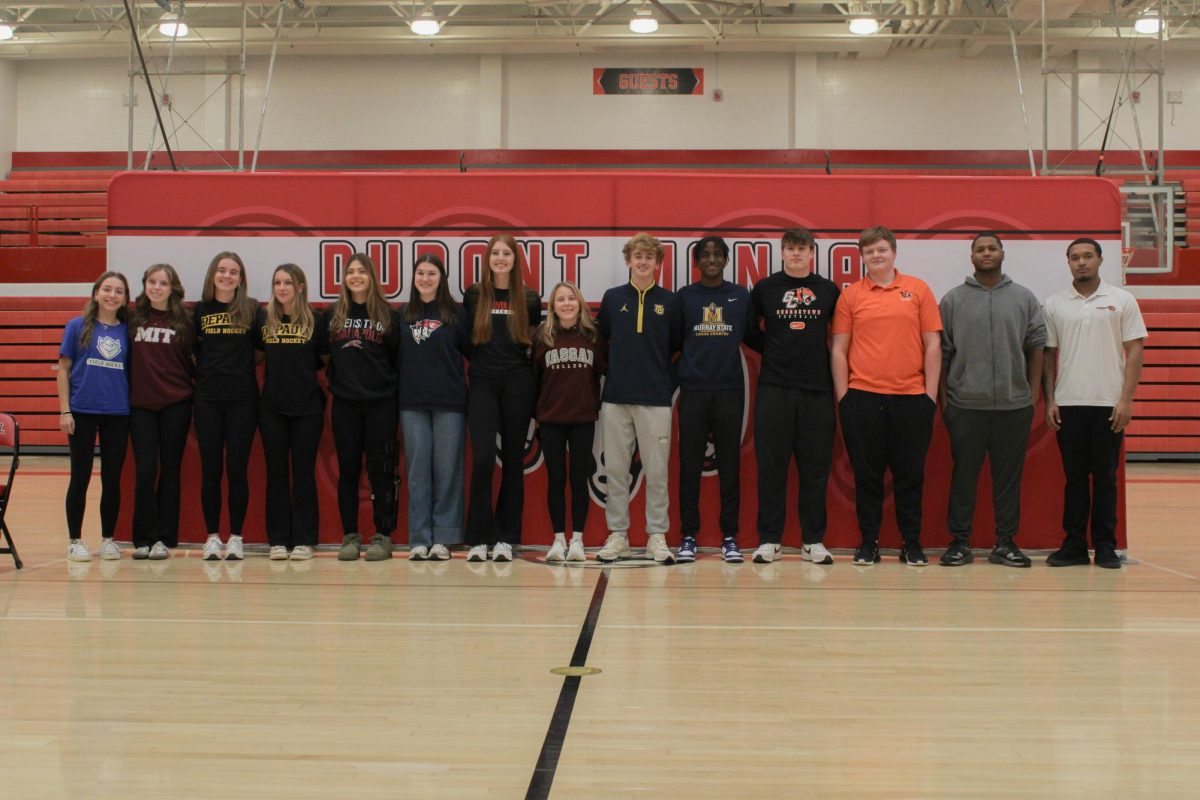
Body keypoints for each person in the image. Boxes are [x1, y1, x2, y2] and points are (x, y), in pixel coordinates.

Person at [831, 226, 942, 566]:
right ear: (861, 257)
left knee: (910, 475)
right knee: (867, 478)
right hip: (862, 398)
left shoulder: (918, 290)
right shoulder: (851, 296)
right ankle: (869, 543)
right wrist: (844, 399)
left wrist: (930, 396)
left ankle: (911, 543)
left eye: (881, 249)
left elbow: (933, 344)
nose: (876, 256)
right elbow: (838, 349)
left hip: (911, 398)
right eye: (869, 252)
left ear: (894, 252)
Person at [938, 234, 1045, 568]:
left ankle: (1005, 543)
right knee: (964, 477)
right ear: (971, 257)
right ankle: (959, 543)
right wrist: (945, 401)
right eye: (980, 249)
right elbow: (942, 354)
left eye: (992, 248)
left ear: (1002, 253)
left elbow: (1036, 346)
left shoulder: (1024, 298)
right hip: (965, 406)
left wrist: (1032, 395)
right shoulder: (953, 300)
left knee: (1008, 479)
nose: (987, 253)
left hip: (1014, 408)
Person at [1042, 237, 1146, 569]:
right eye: (1075, 257)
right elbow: (1048, 356)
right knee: (1074, 479)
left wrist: (1125, 400)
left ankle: (1104, 546)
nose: (1082, 262)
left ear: (1101, 260)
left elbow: (1135, 351)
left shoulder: (1122, 300)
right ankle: (1073, 545)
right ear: (1068, 262)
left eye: (1088, 256)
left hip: (1108, 404)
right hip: (1069, 403)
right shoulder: (1055, 304)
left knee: (1105, 478)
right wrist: (1050, 400)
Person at [747, 227, 841, 565]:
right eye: (790, 248)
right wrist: (773, 351)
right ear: (782, 252)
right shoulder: (764, 289)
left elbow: (842, 337)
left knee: (815, 469)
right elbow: (748, 331)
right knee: (771, 468)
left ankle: (813, 541)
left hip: (817, 389)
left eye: (802, 248)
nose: (796, 254)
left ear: (812, 253)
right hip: (774, 388)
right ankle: (769, 540)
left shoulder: (829, 290)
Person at [595, 233, 682, 563]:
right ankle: (618, 535)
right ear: (628, 261)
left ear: (658, 263)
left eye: (649, 256)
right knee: (616, 469)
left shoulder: (670, 302)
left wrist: (661, 380)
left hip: (656, 400)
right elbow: (600, 343)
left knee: (657, 471)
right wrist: (614, 374)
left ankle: (656, 536)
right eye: (637, 256)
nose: (643, 261)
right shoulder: (612, 297)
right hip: (616, 397)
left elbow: (676, 347)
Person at [462, 234, 543, 563]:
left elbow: (533, 342)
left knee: (513, 461)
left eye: (506, 253)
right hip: (482, 381)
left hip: (518, 383)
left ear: (515, 259)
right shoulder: (474, 295)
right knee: (482, 460)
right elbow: (466, 342)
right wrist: (484, 364)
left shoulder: (529, 298)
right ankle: (479, 537)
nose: (500, 258)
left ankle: (507, 537)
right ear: (487, 258)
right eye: (495, 253)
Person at [675, 235, 753, 564]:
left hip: (729, 391)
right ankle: (688, 536)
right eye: (704, 255)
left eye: (717, 254)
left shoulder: (739, 296)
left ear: (725, 260)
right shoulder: (685, 297)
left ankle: (729, 536)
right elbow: (675, 341)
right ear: (696, 261)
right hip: (693, 391)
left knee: (730, 467)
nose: (710, 259)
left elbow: (752, 337)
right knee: (689, 466)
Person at [326, 253, 403, 562]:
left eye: (361, 271)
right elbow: (323, 356)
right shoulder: (332, 314)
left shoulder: (388, 315)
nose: (355, 276)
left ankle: (382, 536)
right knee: (347, 471)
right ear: (344, 278)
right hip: (345, 404)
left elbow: (397, 360)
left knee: (382, 472)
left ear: (372, 277)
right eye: (350, 272)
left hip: (381, 404)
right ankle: (350, 536)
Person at [398, 254, 469, 562]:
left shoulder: (457, 313)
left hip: (450, 402)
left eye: (431, 273)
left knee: (447, 471)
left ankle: (444, 537)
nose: (425, 278)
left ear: (441, 278)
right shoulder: (403, 314)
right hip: (412, 403)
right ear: (414, 278)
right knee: (418, 473)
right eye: (420, 273)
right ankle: (419, 537)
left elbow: (471, 351)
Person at [59, 272, 132, 563]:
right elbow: (63, 369)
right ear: (96, 293)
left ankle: (108, 540)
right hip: (82, 411)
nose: (112, 295)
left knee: (112, 479)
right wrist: (65, 410)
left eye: (119, 291)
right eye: (107, 289)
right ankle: (75, 540)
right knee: (80, 476)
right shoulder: (77, 326)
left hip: (118, 412)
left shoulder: (127, 331)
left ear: (125, 298)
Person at [193, 252, 261, 562]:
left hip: (243, 399)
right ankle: (211, 537)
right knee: (210, 470)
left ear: (240, 278)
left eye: (233, 271)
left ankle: (235, 536)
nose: (227, 275)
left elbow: (261, 352)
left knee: (237, 470)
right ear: (212, 274)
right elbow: (193, 352)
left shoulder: (251, 309)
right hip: (207, 399)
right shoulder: (199, 310)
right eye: (221, 270)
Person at [259, 264, 328, 562]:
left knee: (303, 474)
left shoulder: (317, 320)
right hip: (272, 407)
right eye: (277, 282)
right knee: (276, 474)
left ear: (300, 286)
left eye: (288, 282)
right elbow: (259, 356)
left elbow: (324, 358)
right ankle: (278, 540)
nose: (282, 287)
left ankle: (303, 540)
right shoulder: (265, 319)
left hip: (307, 408)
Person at [533, 282, 607, 563]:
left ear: (580, 304)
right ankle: (557, 540)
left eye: (571, 299)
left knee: (578, 479)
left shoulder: (592, 336)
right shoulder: (543, 336)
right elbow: (535, 380)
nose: (566, 304)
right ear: (552, 306)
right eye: (560, 299)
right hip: (551, 420)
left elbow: (604, 370)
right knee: (555, 479)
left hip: (582, 419)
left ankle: (577, 539)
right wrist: (537, 416)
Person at [128, 264, 194, 561]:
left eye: (163, 283)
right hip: (141, 405)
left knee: (170, 471)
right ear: (144, 286)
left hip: (176, 404)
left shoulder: (185, 321)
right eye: (151, 282)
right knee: (145, 472)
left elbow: (196, 361)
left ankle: (164, 538)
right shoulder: (131, 319)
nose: (156, 287)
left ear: (173, 288)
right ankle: (143, 537)